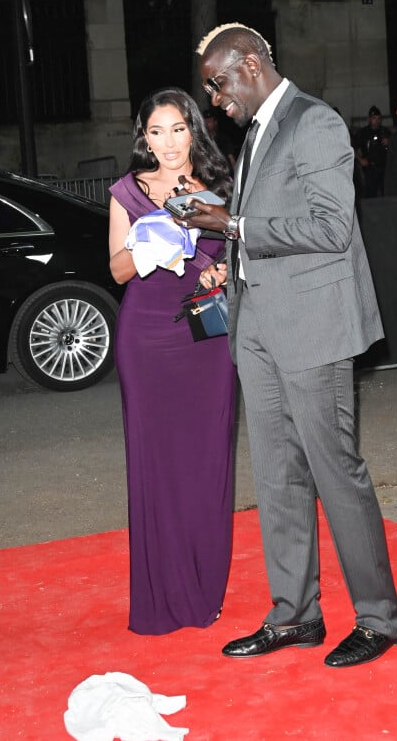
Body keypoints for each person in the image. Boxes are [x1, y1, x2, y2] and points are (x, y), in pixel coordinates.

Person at [186, 22, 397, 669]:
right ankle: (295, 615)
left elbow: (330, 225)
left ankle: (380, 616)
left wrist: (232, 223)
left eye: (219, 84)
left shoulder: (313, 122)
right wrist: (226, 235)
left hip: (313, 325)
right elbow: (264, 225)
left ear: (251, 64)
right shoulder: (256, 131)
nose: (216, 101)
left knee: (335, 470)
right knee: (278, 476)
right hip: (256, 325)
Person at [108, 87, 237, 635]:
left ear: (194, 129)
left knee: (207, 460)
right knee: (156, 464)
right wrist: (147, 246)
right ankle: (161, 595)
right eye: (156, 132)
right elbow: (115, 271)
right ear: (144, 137)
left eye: (178, 129)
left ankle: (203, 588)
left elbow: (238, 248)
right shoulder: (127, 191)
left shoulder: (222, 185)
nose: (168, 143)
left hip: (205, 339)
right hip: (146, 339)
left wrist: (222, 270)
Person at [353, 105, 391, 198]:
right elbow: (352, 148)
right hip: (369, 170)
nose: (377, 121)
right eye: (374, 118)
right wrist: (360, 159)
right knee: (370, 196)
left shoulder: (385, 132)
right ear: (369, 119)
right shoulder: (363, 133)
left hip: (384, 169)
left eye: (379, 118)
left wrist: (390, 143)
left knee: (385, 195)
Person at [203, 107, 237, 172]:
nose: (207, 124)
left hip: (224, 174)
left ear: (215, 122)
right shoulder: (202, 140)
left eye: (209, 121)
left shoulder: (223, 139)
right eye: (205, 121)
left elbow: (231, 159)